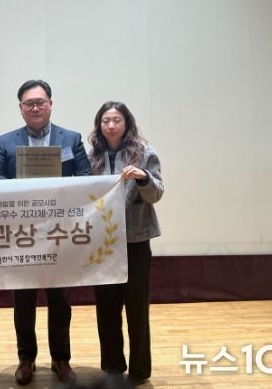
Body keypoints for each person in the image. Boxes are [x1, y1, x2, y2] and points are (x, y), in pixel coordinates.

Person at [0, 80, 91, 385]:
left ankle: (61, 359)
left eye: (40, 102)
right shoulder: (7, 141)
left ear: (50, 104)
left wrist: (60, 190)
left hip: (59, 231)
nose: (35, 108)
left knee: (60, 300)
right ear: (21, 108)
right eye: (29, 103)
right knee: (23, 300)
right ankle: (26, 358)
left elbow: (85, 176)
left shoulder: (71, 138)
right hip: (22, 233)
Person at [87, 101, 164, 386]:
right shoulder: (92, 157)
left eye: (116, 120)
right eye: (105, 120)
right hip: (104, 241)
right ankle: (112, 366)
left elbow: (157, 194)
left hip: (135, 240)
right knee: (106, 306)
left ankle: (140, 369)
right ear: (99, 125)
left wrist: (143, 178)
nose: (110, 125)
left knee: (136, 306)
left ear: (127, 123)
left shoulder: (145, 153)